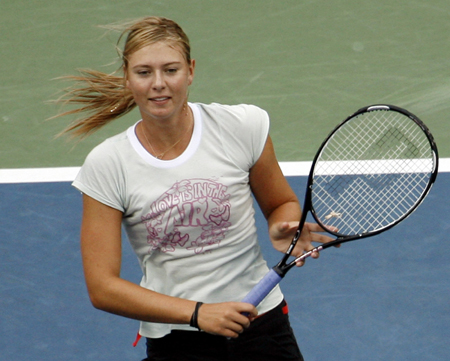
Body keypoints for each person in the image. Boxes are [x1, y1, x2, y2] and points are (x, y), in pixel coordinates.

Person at [55, 16, 334, 361]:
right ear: (127, 77)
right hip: (178, 339)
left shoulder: (241, 127)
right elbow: (102, 288)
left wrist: (282, 226)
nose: (158, 83)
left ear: (191, 71)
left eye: (170, 70)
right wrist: (198, 313)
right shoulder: (108, 164)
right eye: (144, 72)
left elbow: (280, 203)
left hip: (261, 325)